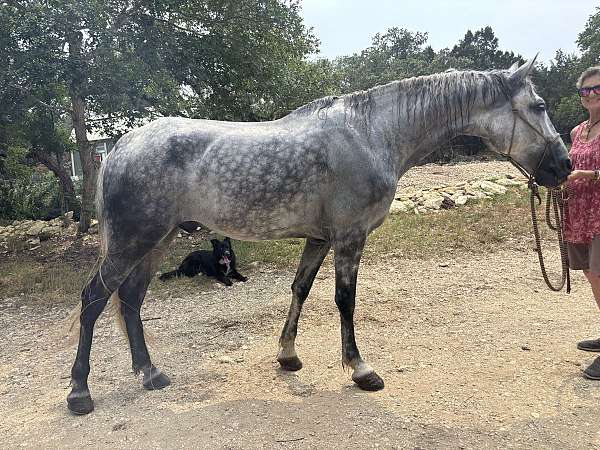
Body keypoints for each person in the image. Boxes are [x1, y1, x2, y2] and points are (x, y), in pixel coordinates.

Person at [564, 66, 600, 379]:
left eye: (597, 88)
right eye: (585, 91)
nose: (590, 95)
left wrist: (590, 175)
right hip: (579, 212)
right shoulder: (577, 132)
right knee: (591, 274)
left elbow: (586, 171)